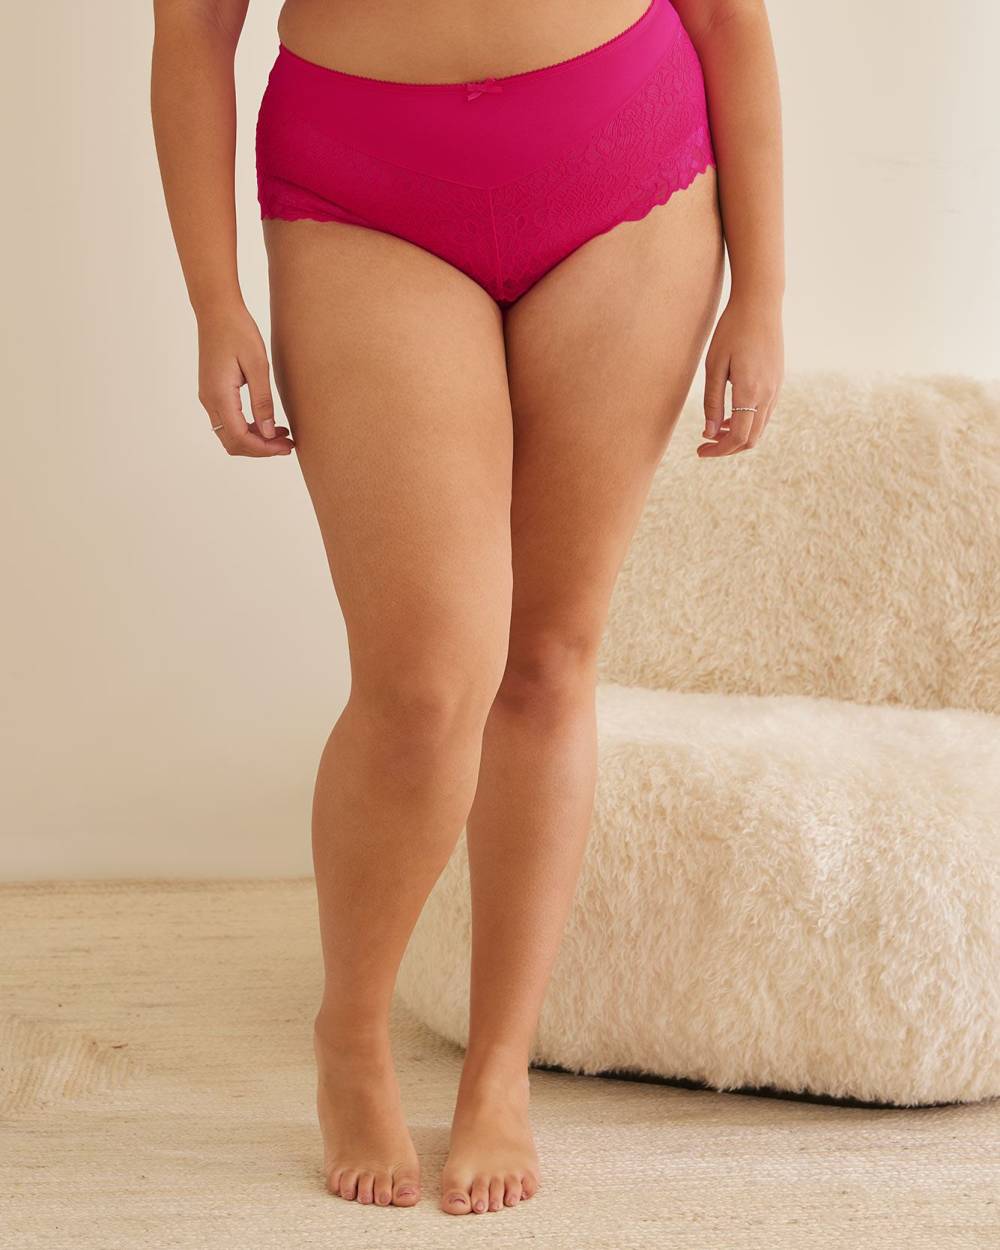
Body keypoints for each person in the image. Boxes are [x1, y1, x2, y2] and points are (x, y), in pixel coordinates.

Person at [151, 0, 785, 1217]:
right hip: (362, 188)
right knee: (423, 683)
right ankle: (350, 1031)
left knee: (545, 659)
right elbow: (192, 30)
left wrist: (760, 289)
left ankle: (500, 1065)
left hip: (626, 172)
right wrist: (213, 297)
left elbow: (724, 12)